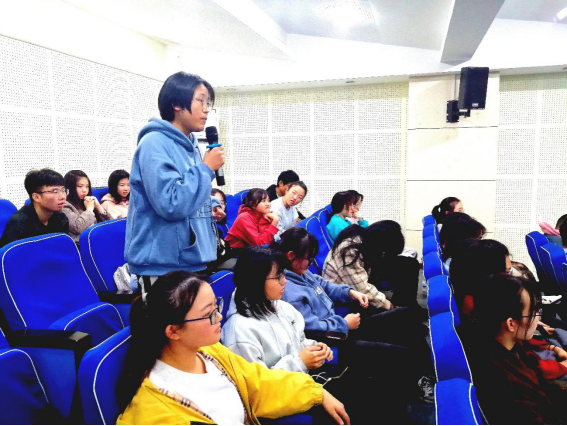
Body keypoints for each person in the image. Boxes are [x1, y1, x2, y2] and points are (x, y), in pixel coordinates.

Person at [117, 271, 350, 425]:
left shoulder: (210, 353)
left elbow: (259, 382)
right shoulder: (157, 413)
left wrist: (316, 392)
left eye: (216, 306)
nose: (219, 316)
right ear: (173, 331)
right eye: (208, 314)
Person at [125, 72, 225, 289]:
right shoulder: (154, 143)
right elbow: (170, 203)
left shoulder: (190, 144)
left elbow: (188, 186)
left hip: (192, 260)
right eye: (200, 100)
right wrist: (206, 168)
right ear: (176, 103)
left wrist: (210, 205)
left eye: (208, 103)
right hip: (162, 266)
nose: (206, 109)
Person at [462, 274, 567, 425]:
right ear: (511, 324)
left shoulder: (507, 345)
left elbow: (546, 385)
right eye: (533, 312)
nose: (537, 319)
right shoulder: (506, 385)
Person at [222, 247, 334, 373]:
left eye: (283, 275)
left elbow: (298, 341)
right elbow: (258, 381)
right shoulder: (239, 332)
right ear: (256, 281)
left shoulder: (281, 307)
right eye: (278, 277)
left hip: (302, 380)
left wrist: (315, 348)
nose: (284, 281)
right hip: (289, 384)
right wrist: (300, 363)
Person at [323, 221, 421, 311]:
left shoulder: (365, 239)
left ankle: (407, 305)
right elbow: (363, 289)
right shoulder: (350, 251)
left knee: (409, 264)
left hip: (363, 274)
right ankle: (402, 310)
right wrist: (390, 306)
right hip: (345, 295)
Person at [0, 169, 69, 248]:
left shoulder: (61, 218)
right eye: (54, 191)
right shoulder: (19, 224)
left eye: (63, 190)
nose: (62, 196)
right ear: (36, 197)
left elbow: (62, 249)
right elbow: (12, 254)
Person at [62, 170, 110, 243]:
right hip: (81, 244)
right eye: (80, 186)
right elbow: (77, 227)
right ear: (69, 188)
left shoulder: (86, 201)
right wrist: (89, 210)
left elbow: (109, 223)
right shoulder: (65, 205)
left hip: (97, 239)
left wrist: (98, 206)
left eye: (87, 186)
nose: (84, 190)